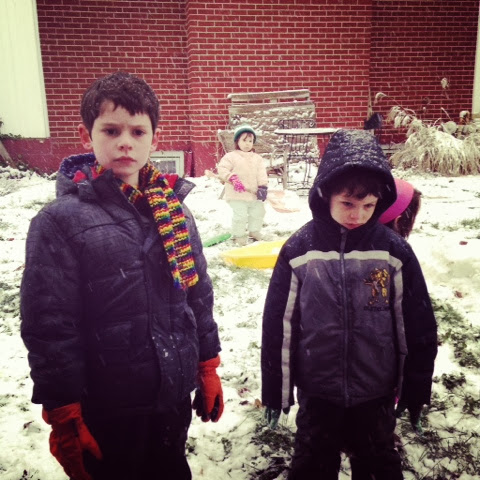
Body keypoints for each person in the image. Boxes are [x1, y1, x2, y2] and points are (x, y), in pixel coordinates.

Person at [20, 71, 223, 480]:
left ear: (155, 139)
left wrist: (206, 364)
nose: (125, 142)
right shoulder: (60, 222)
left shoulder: (174, 212)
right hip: (107, 404)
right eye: (111, 130)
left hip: (171, 394)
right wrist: (63, 408)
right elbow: (50, 324)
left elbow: (196, 295)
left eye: (137, 131)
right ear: (87, 136)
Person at [261, 129, 437, 480]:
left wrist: (415, 388)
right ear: (325, 194)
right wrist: (276, 390)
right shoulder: (300, 249)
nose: (358, 215)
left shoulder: (393, 252)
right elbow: (279, 324)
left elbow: (416, 324)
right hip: (318, 392)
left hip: (375, 393)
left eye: (368, 206)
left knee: (377, 467)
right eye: (347, 204)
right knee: (312, 467)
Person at [217, 124, 269, 246]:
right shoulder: (231, 157)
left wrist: (263, 187)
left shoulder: (257, 158)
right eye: (244, 140)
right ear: (237, 141)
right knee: (240, 216)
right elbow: (222, 169)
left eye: (250, 141)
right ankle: (239, 235)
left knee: (258, 213)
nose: (247, 144)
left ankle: (254, 231)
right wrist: (232, 178)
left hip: (254, 194)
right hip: (237, 194)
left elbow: (262, 174)